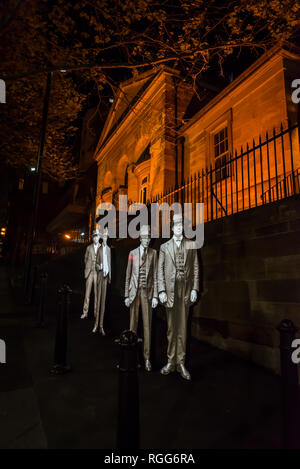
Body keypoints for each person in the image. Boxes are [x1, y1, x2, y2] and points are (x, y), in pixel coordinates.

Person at [158, 213, 199, 380]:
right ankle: (170, 361)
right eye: (176, 225)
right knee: (171, 328)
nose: (179, 227)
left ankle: (180, 362)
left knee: (182, 328)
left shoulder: (191, 245)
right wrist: (161, 291)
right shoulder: (164, 247)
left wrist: (195, 288)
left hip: (185, 291)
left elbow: (196, 268)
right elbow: (159, 270)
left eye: (181, 225)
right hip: (169, 291)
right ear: (172, 227)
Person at [124, 225, 158, 371]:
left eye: (148, 237)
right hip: (134, 292)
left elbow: (156, 276)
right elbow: (128, 275)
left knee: (147, 327)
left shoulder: (154, 253)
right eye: (144, 237)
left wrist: (156, 295)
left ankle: (147, 358)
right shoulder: (132, 253)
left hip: (147, 293)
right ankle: (132, 357)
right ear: (140, 238)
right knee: (132, 326)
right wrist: (126, 294)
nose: (146, 240)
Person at [93, 227, 111, 335]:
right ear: (102, 238)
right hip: (100, 276)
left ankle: (101, 326)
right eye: (103, 236)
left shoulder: (109, 249)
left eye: (106, 237)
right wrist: (98, 267)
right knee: (98, 301)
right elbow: (96, 263)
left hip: (105, 278)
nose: (105, 238)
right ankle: (95, 325)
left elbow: (109, 264)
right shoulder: (99, 249)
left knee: (103, 303)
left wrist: (109, 274)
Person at [81, 228, 100, 319]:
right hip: (90, 272)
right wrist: (88, 267)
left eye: (97, 237)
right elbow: (85, 259)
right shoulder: (89, 247)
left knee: (97, 294)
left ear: (99, 237)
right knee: (87, 294)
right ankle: (85, 312)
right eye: (94, 237)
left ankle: (96, 314)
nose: (95, 238)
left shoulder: (101, 247)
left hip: (97, 273)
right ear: (92, 238)